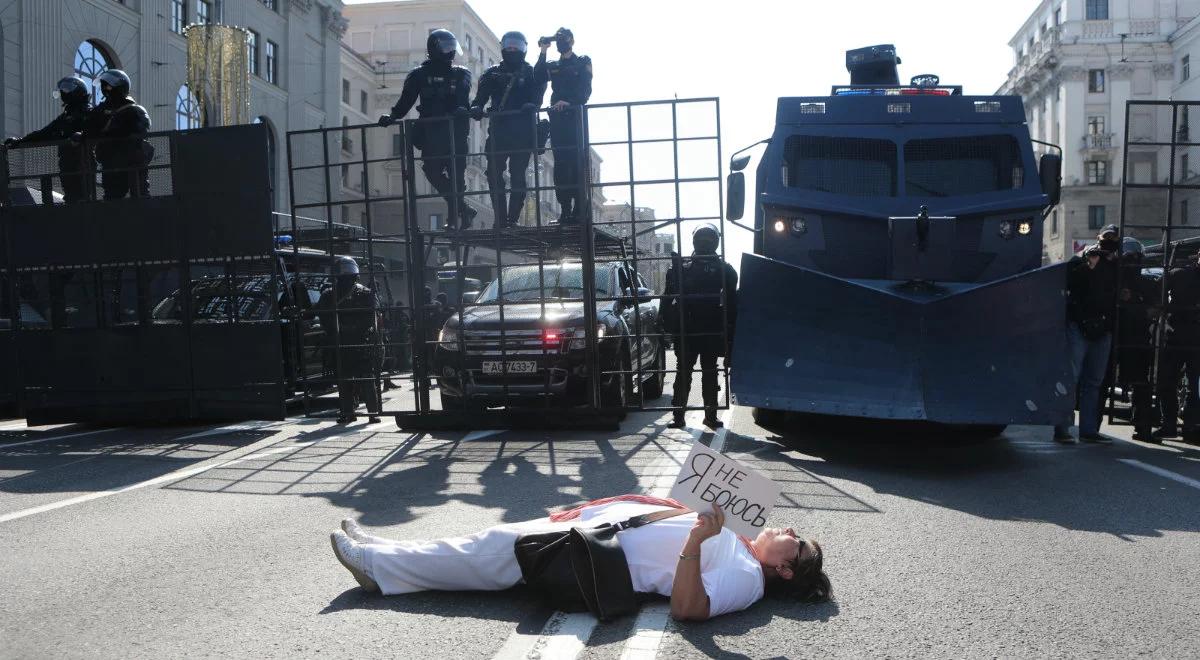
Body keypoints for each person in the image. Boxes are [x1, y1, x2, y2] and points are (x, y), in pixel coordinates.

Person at [329, 494, 831, 620]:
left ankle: (377, 569)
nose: (789, 529)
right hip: (594, 530)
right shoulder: (741, 541)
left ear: (785, 568)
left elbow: (689, 610)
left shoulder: (748, 580)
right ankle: (384, 553)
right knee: (489, 542)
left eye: (797, 540)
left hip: (592, 557)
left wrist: (696, 543)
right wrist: (597, 506)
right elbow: (664, 512)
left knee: (489, 552)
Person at [380, 29, 477, 229]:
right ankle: (463, 208)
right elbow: (406, 99)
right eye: (446, 47)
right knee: (432, 171)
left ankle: (455, 218)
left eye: (452, 47)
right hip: (432, 133)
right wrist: (393, 116)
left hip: (455, 132)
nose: (450, 52)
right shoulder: (418, 74)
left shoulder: (461, 73)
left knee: (457, 175)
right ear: (434, 49)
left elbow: (463, 97)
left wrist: (460, 109)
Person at [662, 225, 738, 429]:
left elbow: (667, 300)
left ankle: (682, 417)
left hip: (692, 328)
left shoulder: (683, 268)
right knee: (707, 371)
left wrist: (666, 326)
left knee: (688, 371)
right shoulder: (723, 268)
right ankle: (706, 416)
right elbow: (733, 302)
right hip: (706, 328)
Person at [471, 31, 545, 228]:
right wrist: (476, 107)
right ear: (503, 47)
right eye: (509, 46)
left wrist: (533, 105)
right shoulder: (492, 73)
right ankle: (500, 219)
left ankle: (512, 219)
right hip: (499, 131)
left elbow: (539, 93)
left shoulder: (530, 72)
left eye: (517, 46)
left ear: (523, 48)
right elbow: (480, 97)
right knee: (493, 173)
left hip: (522, 132)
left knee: (518, 175)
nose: (512, 49)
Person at [1054, 225, 1120, 444]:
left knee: (1094, 381)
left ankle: (1088, 430)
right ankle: (1062, 427)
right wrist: (1088, 264)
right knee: (1072, 378)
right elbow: (1069, 283)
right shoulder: (1084, 260)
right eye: (1106, 238)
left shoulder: (1117, 265)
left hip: (1102, 328)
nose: (1108, 244)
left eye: (1113, 239)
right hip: (1080, 325)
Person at [534, 28, 592, 224]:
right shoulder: (553, 65)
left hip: (575, 117)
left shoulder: (582, 61)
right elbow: (538, 76)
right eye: (558, 39)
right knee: (560, 167)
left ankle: (579, 209)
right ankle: (565, 210)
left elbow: (586, 89)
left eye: (563, 39)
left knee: (577, 165)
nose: (561, 42)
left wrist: (570, 102)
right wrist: (543, 50)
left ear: (572, 40)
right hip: (558, 120)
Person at [3, 76, 92, 203]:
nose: (63, 93)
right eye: (62, 90)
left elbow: (95, 130)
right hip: (67, 161)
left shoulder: (88, 112)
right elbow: (44, 133)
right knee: (71, 196)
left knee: (84, 197)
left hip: (83, 161)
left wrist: (82, 135)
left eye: (67, 89)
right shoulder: (65, 116)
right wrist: (19, 141)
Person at [316, 257, 382, 424]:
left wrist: (342, 330)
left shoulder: (360, 293)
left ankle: (362, 412)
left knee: (358, 378)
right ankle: (361, 412)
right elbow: (324, 317)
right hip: (352, 341)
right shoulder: (331, 294)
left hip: (354, 341)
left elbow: (370, 318)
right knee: (352, 379)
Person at [1113, 238, 1159, 442]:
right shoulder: (1114, 280)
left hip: (1135, 337)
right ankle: (1141, 425)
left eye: (1135, 257)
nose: (1133, 261)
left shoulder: (1146, 283)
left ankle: (1142, 425)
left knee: (1141, 384)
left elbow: (1154, 310)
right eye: (1129, 257)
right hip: (1118, 335)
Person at [84, 69, 152, 200]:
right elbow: (88, 129)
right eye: (103, 85)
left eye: (108, 85)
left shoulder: (134, 109)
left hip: (131, 163)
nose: (105, 89)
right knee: (112, 199)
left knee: (140, 196)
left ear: (120, 87)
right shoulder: (100, 111)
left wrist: (114, 132)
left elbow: (142, 128)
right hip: (110, 162)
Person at [1155, 250, 1200, 444]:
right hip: (1180, 335)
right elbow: (1158, 291)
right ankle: (1182, 425)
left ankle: (1178, 425)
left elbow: (1158, 291)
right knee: (1178, 383)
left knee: (1183, 384)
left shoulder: (1179, 273)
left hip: (1182, 335)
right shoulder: (1180, 273)